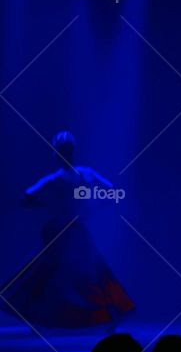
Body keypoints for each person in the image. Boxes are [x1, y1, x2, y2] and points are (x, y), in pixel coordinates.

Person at [0, 131, 134, 328]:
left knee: (54, 272)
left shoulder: (60, 178)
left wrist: (52, 205)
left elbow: (27, 196)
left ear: (57, 152)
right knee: (67, 272)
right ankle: (112, 312)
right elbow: (113, 191)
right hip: (67, 229)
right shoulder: (77, 175)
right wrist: (89, 207)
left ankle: (107, 312)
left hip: (67, 229)